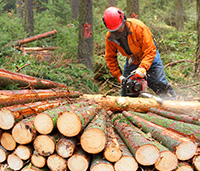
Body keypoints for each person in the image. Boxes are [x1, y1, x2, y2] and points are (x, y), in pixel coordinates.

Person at [102, 6, 176, 99]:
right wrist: (119, 76)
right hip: (132, 59)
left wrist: (142, 68)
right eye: (114, 30)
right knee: (127, 88)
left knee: (159, 83)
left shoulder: (138, 27)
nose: (117, 31)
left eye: (119, 28)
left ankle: (173, 103)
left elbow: (150, 49)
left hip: (149, 55)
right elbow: (110, 57)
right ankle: (127, 111)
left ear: (123, 19)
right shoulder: (110, 37)